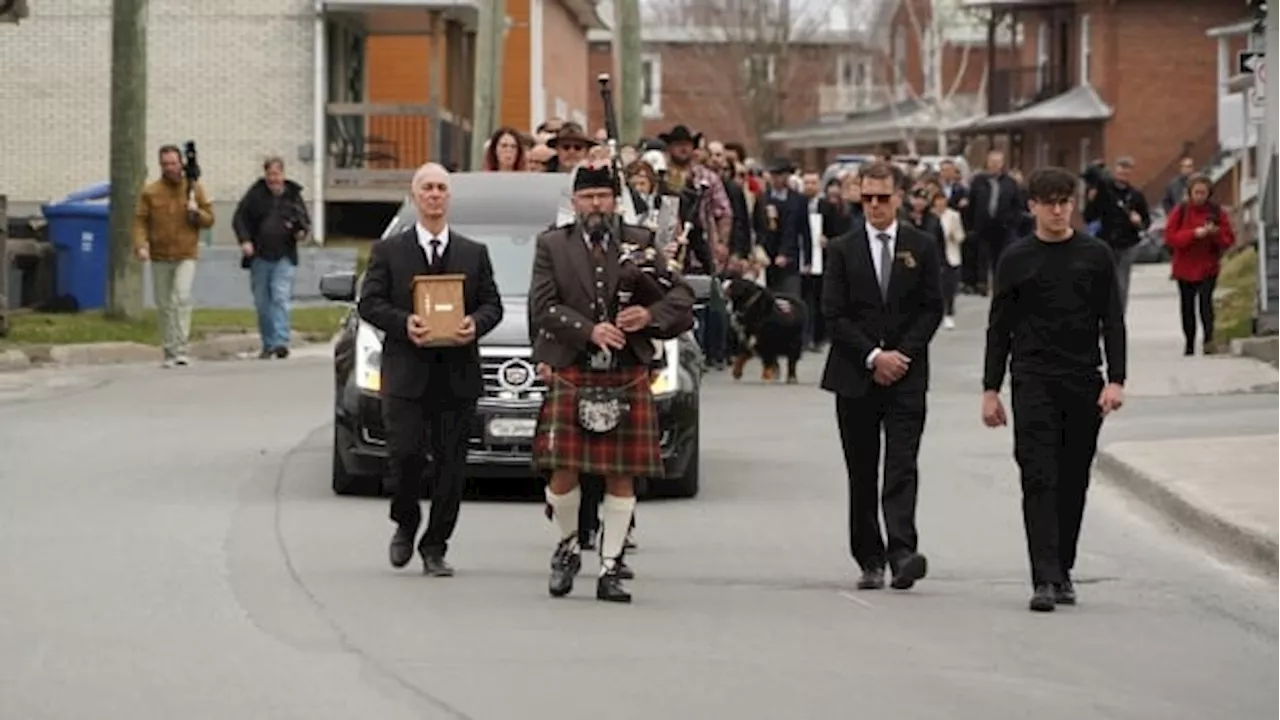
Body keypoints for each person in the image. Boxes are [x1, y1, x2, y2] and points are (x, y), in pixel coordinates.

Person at [529, 163, 695, 603]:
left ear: (615, 201)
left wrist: (648, 316)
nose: (596, 205)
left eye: (604, 196)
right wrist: (589, 330)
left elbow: (680, 297)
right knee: (563, 472)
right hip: (574, 365)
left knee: (622, 473)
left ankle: (610, 564)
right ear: (575, 202)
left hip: (625, 370)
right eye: (588, 197)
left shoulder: (639, 243)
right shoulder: (552, 245)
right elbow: (542, 306)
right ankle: (567, 547)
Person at [980, 166, 1127, 613]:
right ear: (1033, 207)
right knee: (1038, 476)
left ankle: (1062, 568)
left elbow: (1113, 322)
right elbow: (998, 328)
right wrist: (991, 389)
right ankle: (1043, 577)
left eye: (1065, 201)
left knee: (1073, 479)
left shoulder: (1096, 255)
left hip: (1083, 380)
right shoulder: (1016, 259)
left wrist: (1117, 379)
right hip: (1032, 380)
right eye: (1050, 202)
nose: (1059, 210)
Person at [357, 162, 504, 577]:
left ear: (448, 197)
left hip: (456, 376)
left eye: (441, 188)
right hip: (407, 373)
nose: (435, 195)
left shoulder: (474, 253)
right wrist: (405, 323)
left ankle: (435, 545)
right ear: (415, 196)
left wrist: (474, 324)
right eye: (427, 188)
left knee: (450, 466)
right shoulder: (389, 251)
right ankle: (405, 521)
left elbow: (492, 304)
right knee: (404, 455)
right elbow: (369, 303)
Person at [819, 161, 944, 592]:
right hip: (855, 374)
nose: (874, 205)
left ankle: (903, 552)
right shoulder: (841, 248)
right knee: (863, 469)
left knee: (902, 464)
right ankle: (869, 557)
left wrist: (902, 355)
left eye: (882, 197)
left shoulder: (923, 245)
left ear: (899, 197)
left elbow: (933, 306)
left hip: (907, 375)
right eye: (867, 197)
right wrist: (873, 356)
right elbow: (832, 313)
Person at [132, 144, 216, 368]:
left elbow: (209, 219)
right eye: (165, 164)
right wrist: (141, 244)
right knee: (164, 304)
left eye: (173, 163)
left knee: (181, 297)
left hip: (185, 253)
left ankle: (181, 347)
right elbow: (140, 220)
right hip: (160, 254)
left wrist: (196, 212)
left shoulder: (194, 188)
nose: (169, 168)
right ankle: (169, 348)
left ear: (181, 163)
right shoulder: (151, 192)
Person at [232, 156, 312, 359]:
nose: (273, 178)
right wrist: (245, 241)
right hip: (260, 255)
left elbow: (304, 222)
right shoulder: (256, 194)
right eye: (269, 174)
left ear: (283, 174)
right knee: (262, 302)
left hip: (284, 255)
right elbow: (239, 218)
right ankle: (268, 343)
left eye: (276, 174)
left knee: (280, 297)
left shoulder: (293, 195)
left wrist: (300, 232)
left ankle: (281, 342)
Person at [1163, 173, 1235, 355]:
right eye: (1196, 192)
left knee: (1205, 303)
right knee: (1187, 306)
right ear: (1190, 193)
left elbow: (1228, 239)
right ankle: (1189, 341)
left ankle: (1209, 339)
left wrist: (1214, 233)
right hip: (1185, 266)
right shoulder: (1180, 211)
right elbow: (1171, 238)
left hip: (1208, 266)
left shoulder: (1217, 212)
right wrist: (1193, 234)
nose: (1200, 196)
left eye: (1203, 192)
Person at [930, 188, 965, 330]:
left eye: (942, 200)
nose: (940, 203)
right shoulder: (930, 216)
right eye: (937, 201)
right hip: (934, 255)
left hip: (950, 254)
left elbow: (961, 236)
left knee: (949, 287)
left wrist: (953, 235)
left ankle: (949, 314)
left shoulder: (953, 215)